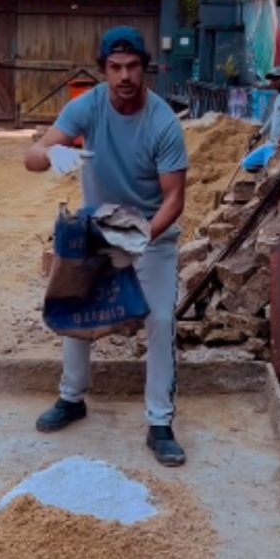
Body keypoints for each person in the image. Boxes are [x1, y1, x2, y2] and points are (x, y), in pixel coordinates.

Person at [24, 26, 189, 467]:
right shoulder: (88, 107)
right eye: (115, 68)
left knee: (159, 320)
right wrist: (52, 156)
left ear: (144, 69)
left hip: (151, 233)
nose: (124, 76)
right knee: (73, 306)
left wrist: (141, 237)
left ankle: (159, 423)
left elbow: (175, 197)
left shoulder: (163, 123)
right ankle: (72, 398)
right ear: (103, 72)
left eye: (132, 66)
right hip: (98, 229)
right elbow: (31, 158)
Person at [241, 66, 280, 172]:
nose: (273, 82)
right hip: (270, 143)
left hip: (279, 146)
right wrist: (260, 134)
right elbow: (273, 117)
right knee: (246, 164)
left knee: (271, 170)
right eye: (272, 79)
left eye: (276, 79)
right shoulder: (279, 96)